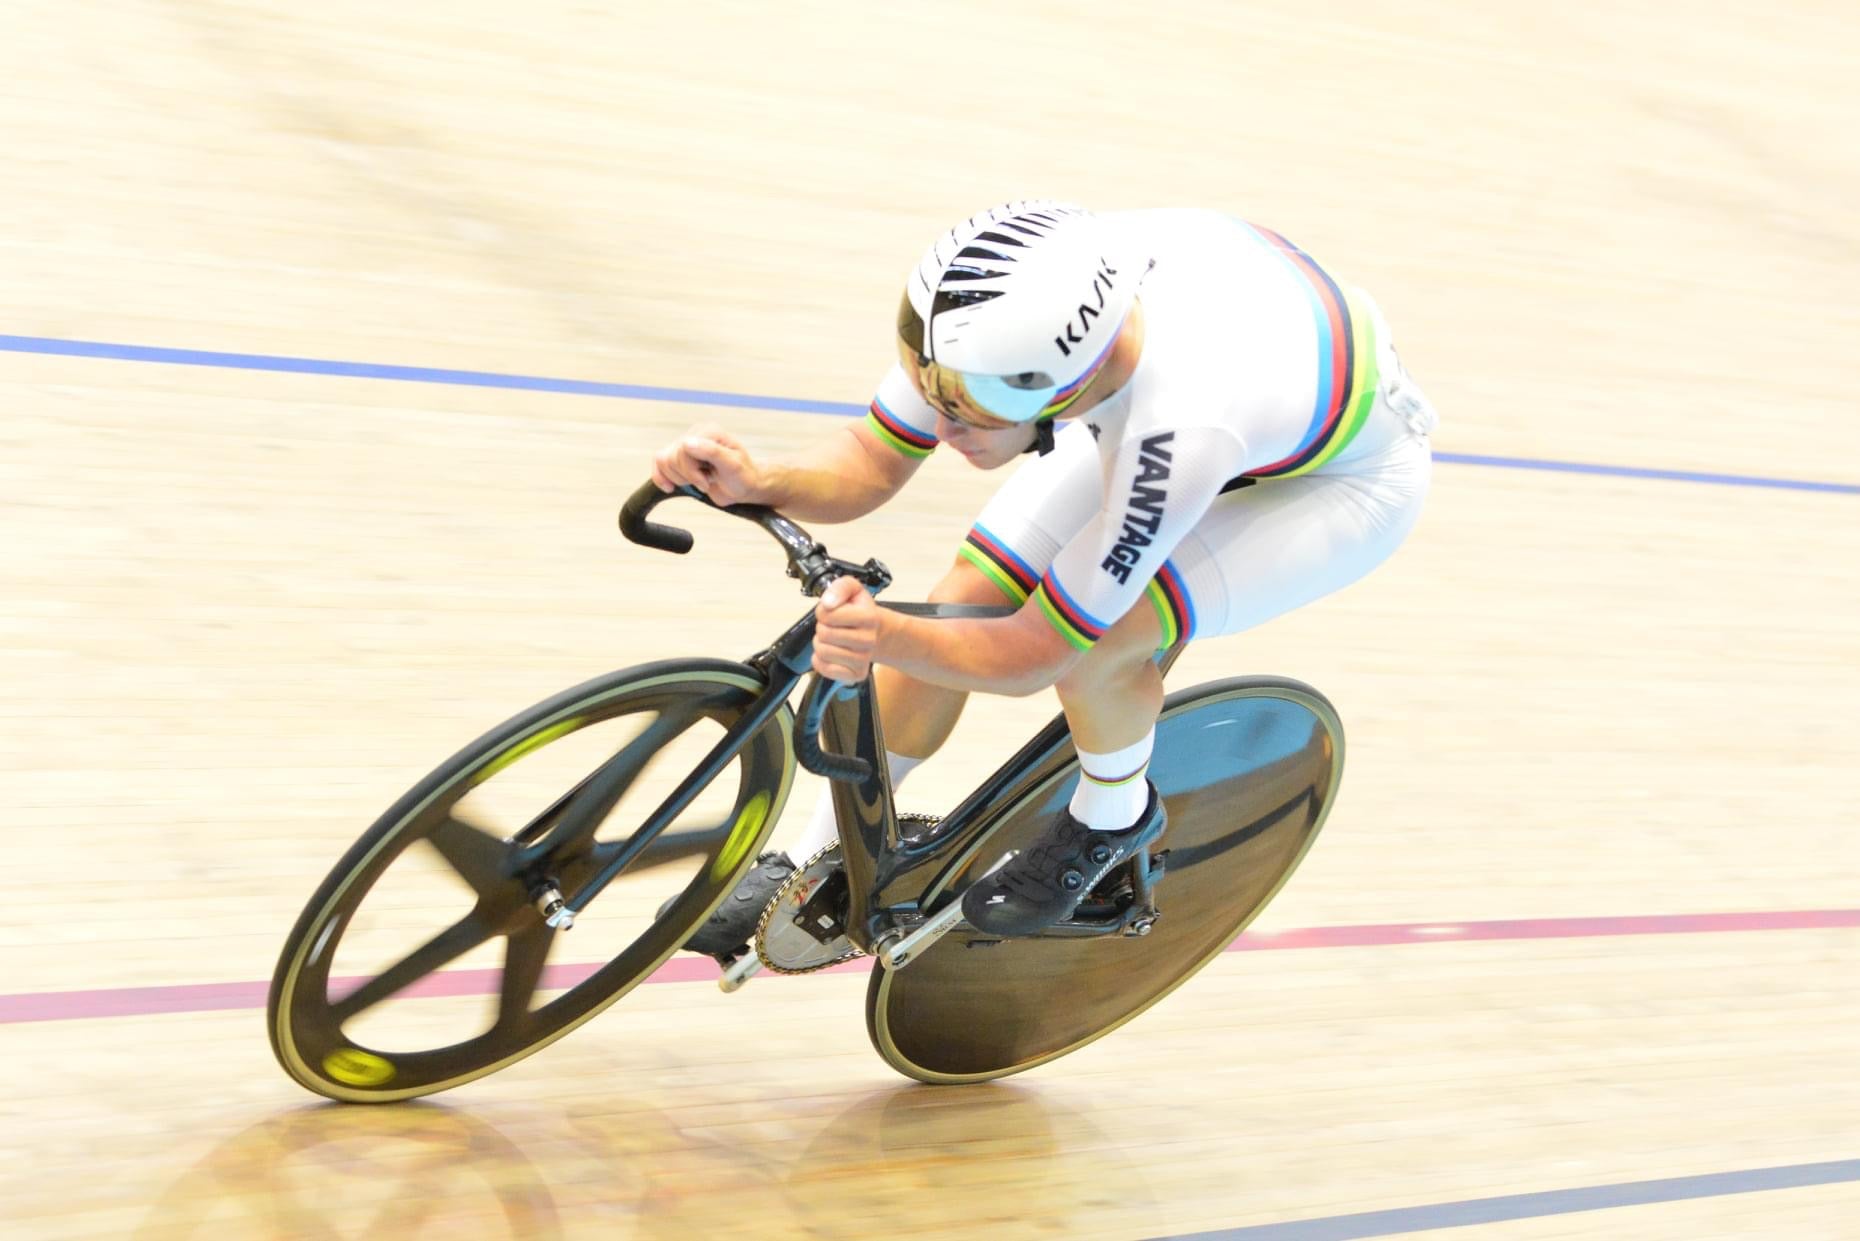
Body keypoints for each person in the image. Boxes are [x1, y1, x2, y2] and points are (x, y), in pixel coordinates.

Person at [653, 201, 1437, 952]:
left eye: (972, 407)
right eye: (937, 394)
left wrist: (884, 635)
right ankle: (815, 864)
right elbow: (870, 460)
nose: (946, 422)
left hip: (1343, 482)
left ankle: (1112, 816)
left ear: (1063, 378)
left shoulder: (1180, 424)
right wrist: (761, 478)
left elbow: (1036, 653)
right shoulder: (987, 326)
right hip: (1241, 359)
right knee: (963, 600)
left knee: (1104, 650)